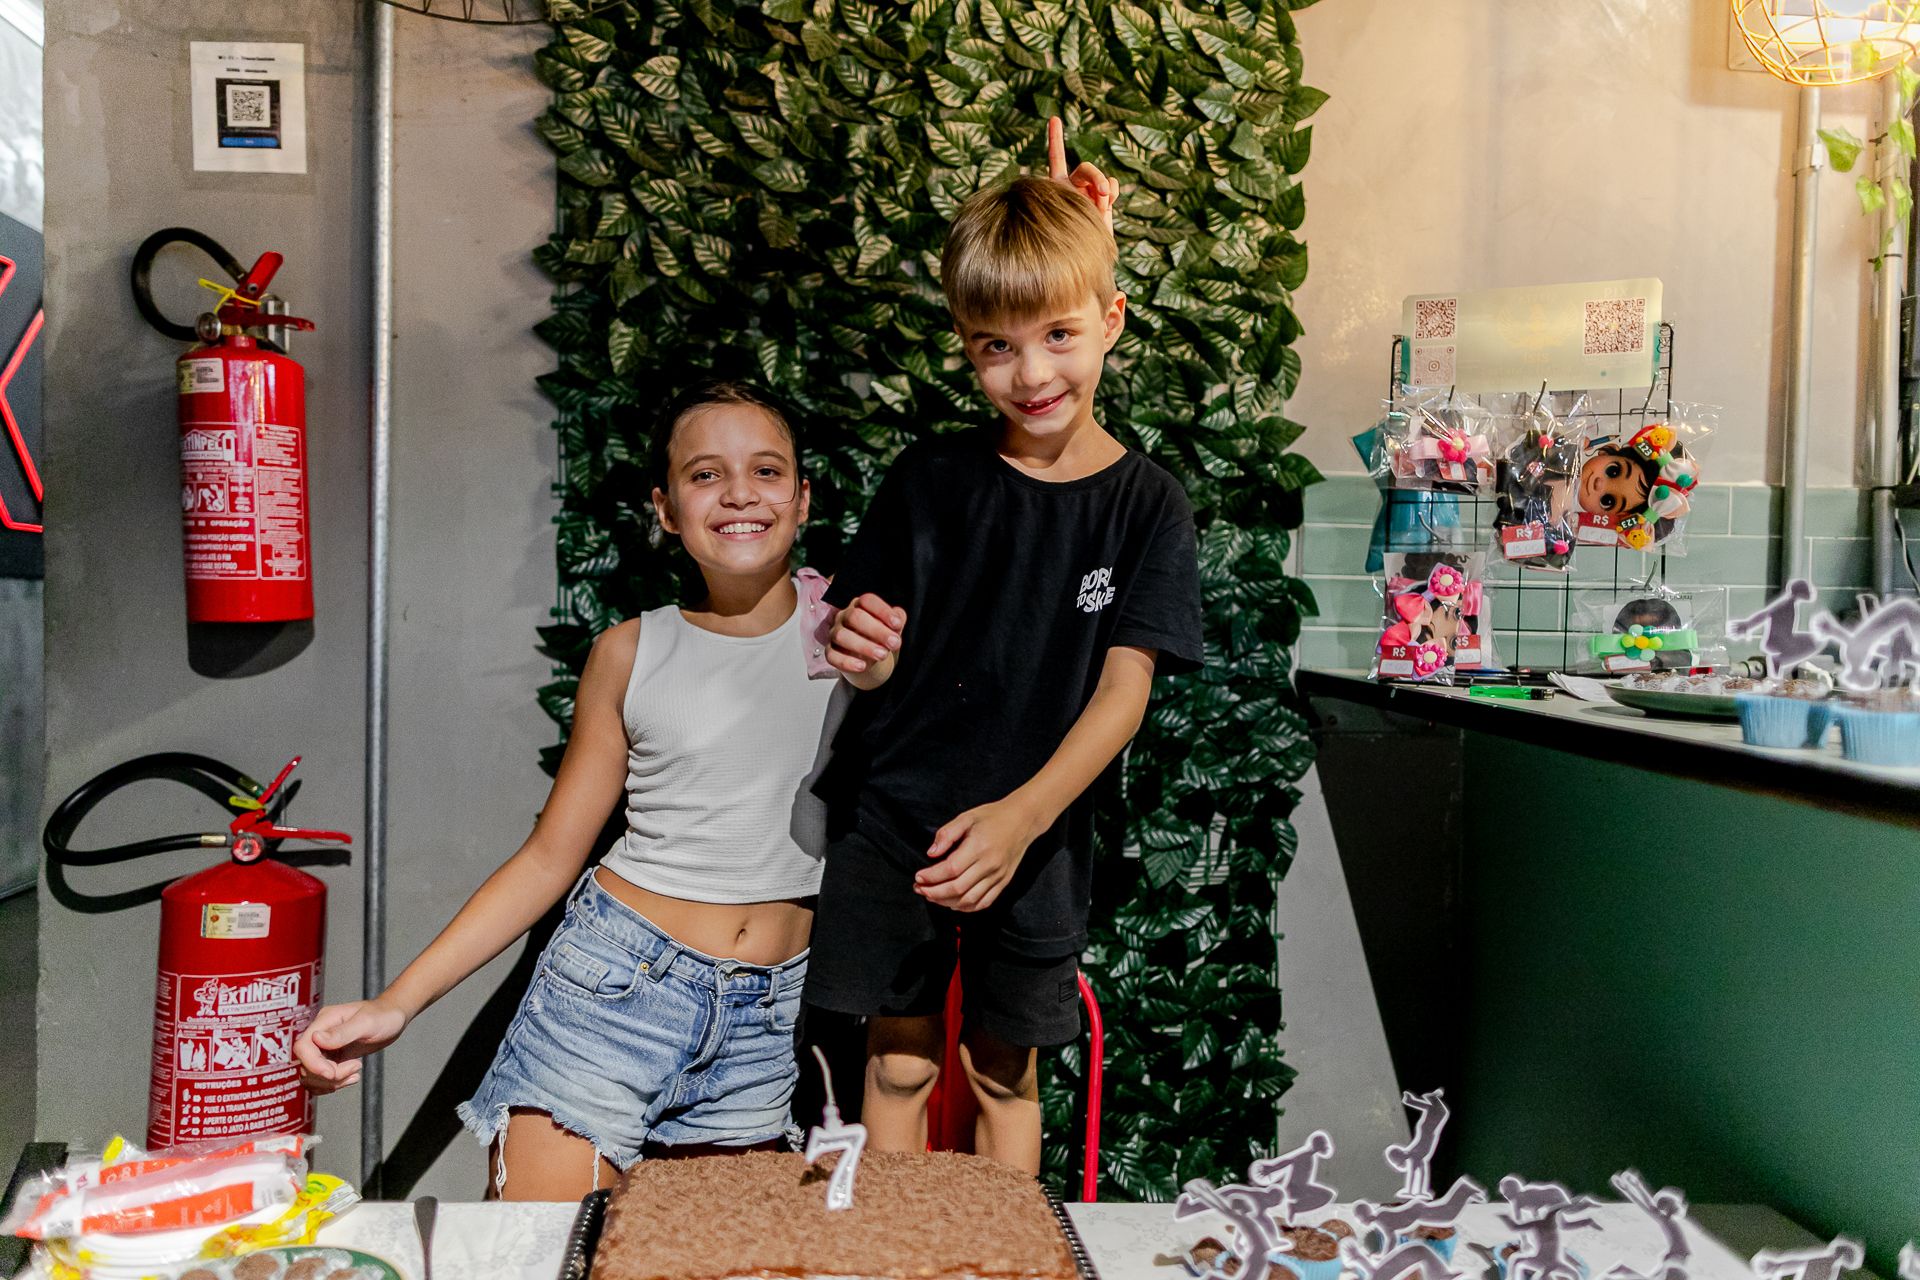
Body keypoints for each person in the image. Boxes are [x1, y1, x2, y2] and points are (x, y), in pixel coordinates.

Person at [292, 380, 847, 1199]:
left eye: (766, 471)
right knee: (545, 1257)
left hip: (763, 1024)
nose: (738, 493)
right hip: (611, 995)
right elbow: (550, 858)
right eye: (704, 475)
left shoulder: (858, 638)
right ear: (664, 510)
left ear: (801, 500)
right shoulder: (631, 651)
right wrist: (396, 1005)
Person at [806, 119, 1205, 1173]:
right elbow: (875, 650)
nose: (1032, 372)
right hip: (897, 821)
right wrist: (865, 650)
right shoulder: (927, 482)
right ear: (968, 344)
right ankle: (895, 1249)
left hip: (1038, 835)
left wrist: (1024, 820)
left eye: (1060, 335)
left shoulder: (1148, 505)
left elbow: (1123, 694)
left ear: (1111, 321)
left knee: (1002, 1070)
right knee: (892, 1064)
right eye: (997, 345)